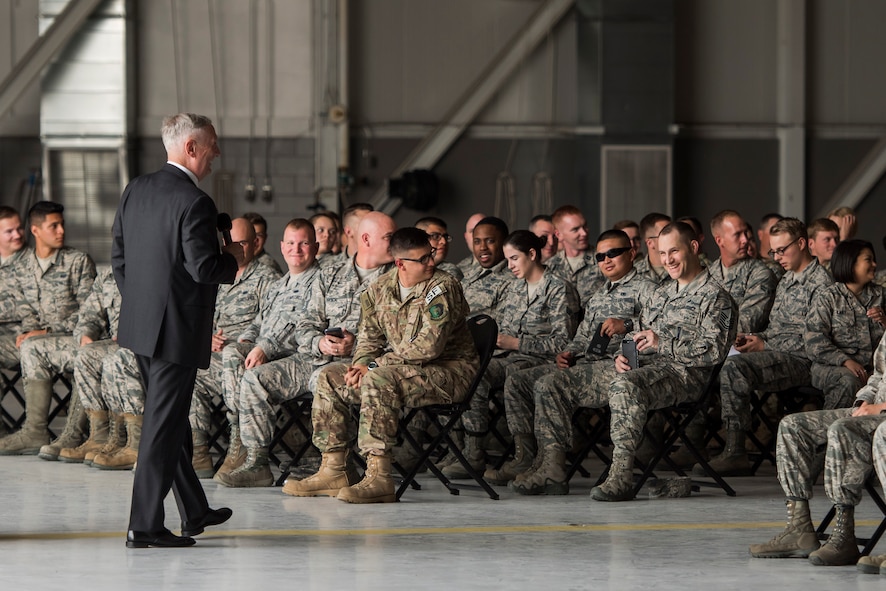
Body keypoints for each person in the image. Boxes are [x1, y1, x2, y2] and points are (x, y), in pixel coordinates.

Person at [112, 113, 243, 548]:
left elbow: (119, 258)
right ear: (191, 148)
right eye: (212, 146)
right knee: (162, 428)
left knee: (167, 421)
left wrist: (143, 307)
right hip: (176, 332)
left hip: (141, 327)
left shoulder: (137, 189)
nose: (217, 154)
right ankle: (143, 525)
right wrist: (234, 258)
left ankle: (194, 509)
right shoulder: (195, 202)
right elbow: (204, 268)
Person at [283, 227, 479, 504]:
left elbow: (428, 347)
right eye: (422, 259)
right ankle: (334, 469)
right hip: (400, 369)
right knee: (329, 376)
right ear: (400, 263)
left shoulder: (442, 287)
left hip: (449, 372)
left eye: (430, 255)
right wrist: (361, 363)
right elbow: (368, 339)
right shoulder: (378, 289)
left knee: (379, 379)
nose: (431, 263)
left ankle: (380, 476)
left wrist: (372, 366)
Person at [494, 230, 653, 488]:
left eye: (614, 253)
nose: (606, 260)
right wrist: (568, 352)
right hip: (588, 363)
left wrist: (625, 323)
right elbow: (581, 337)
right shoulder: (600, 294)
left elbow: (657, 327)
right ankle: (533, 458)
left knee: (549, 384)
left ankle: (553, 469)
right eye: (600, 256)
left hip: (622, 366)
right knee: (520, 381)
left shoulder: (647, 289)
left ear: (632, 253)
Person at [700, 217, 833, 477]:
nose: (777, 256)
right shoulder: (786, 280)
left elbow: (816, 341)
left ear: (803, 243)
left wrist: (766, 343)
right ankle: (719, 441)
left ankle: (735, 450)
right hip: (778, 355)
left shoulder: (823, 285)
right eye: (774, 251)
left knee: (736, 367)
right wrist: (753, 338)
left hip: (803, 361)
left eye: (782, 250)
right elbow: (775, 330)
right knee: (727, 357)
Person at [446, 229, 579, 479]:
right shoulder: (515, 289)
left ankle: (523, 456)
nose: (510, 266)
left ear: (532, 254)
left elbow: (565, 342)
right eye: (507, 260)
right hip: (509, 357)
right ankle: (473, 451)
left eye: (514, 259)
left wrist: (516, 343)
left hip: (543, 361)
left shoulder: (559, 288)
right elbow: (505, 331)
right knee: (474, 373)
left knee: (515, 375)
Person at [749, 334, 886, 567]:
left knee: (843, 429)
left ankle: (843, 534)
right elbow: (879, 376)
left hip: (881, 414)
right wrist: (861, 403)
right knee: (793, 426)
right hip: (871, 410)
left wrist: (880, 408)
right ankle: (799, 528)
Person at [213, 218, 324, 487]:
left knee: (253, 378)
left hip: (298, 357)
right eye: (291, 243)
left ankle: (257, 461)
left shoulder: (320, 281)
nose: (296, 250)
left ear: (315, 247)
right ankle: (239, 437)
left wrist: (264, 347)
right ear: (282, 247)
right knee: (233, 354)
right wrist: (246, 339)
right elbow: (258, 322)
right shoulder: (280, 285)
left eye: (304, 243)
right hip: (270, 354)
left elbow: (303, 324)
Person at [0, 201, 96, 454]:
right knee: (29, 345)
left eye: (62, 225)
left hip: (74, 340)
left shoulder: (78, 261)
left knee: (48, 349)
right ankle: (33, 431)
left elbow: (90, 312)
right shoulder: (21, 267)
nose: (61, 231)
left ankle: (71, 434)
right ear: (36, 230)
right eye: (54, 226)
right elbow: (26, 312)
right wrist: (31, 332)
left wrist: (45, 333)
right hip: (39, 344)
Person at [188, 217, 281, 478]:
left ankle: (239, 444)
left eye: (241, 242)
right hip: (216, 357)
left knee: (230, 355)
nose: (235, 247)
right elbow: (198, 315)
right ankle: (198, 452)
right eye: (229, 242)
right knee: (187, 370)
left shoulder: (267, 278)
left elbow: (271, 326)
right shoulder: (215, 275)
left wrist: (235, 342)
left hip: (246, 359)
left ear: (255, 243)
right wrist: (206, 338)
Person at [805, 240, 885, 409]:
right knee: (848, 382)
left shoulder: (882, 295)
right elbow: (814, 342)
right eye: (868, 260)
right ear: (850, 263)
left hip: (873, 370)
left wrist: (885, 322)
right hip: (832, 366)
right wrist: (845, 361)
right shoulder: (828, 297)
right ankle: (830, 432)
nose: (874, 264)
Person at [708, 210, 777, 333]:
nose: (745, 240)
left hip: (740, 350)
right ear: (719, 241)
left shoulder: (760, 274)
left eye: (745, 232)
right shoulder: (707, 274)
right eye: (737, 234)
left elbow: (745, 325)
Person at [546, 205, 603, 306]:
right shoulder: (550, 267)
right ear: (559, 235)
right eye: (575, 229)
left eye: (585, 226)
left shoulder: (603, 260)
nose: (584, 233)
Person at [0, 206, 27, 373]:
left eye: (19, 228)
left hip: (21, 335)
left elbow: (30, 306)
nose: (17, 235)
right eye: (9, 231)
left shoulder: (34, 261)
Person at [633, 212, 671, 285]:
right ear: (650, 243)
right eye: (665, 234)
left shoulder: (683, 268)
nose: (672, 237)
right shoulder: (634, 273)